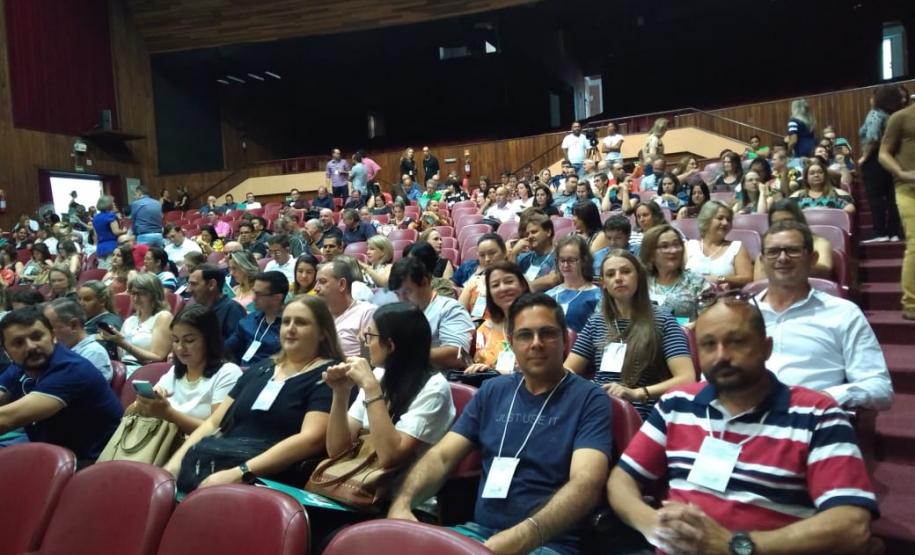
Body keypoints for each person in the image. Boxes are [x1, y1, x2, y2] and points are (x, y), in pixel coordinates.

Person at [607, 292, 880, 555]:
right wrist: (651, 525)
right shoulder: (677, 404)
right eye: (708, 344)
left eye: (737, 341)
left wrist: (735, 545)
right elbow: (621, 480)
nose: (721, 355)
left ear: (767, 347)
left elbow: (852, 524)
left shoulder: (817, 414)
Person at [388, 293, 611, 555]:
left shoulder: (590, 399)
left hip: (547, 543)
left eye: (547, 333)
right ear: (511, 341)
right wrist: (402, 503)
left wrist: (519, 538)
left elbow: (586, 483)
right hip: (477, 533)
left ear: (564, 340)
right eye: (525, 335)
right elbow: (441, 457)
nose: (536, 343)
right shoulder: (493, 391)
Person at [163, 296, 340, 490]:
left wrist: (241, 472)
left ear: (323, 333)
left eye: (301, 322)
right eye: (286, 321)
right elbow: (214, 422)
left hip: (270, 478)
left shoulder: (330, 375)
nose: (290, 328)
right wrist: (174, 465)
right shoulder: (262, 368)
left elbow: (311, 439)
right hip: (220, 465)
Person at [755, 220, 893, 410]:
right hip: (744, 420)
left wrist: (822, 398)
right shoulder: (741, 313)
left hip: (811, 421)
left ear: (812, 259)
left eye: (792, 250)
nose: (782, 258)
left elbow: (879, 387)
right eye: (773, 252)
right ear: (762, 261)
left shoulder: (843, 313)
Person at [323, 302, 455, 497]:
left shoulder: (434, 388)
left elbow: (390, 457)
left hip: (402, 496)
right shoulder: (378, 375)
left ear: (390, 345)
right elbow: (336, 451)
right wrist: (340, 393)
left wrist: (370, 388)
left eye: (370, 336)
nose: (366, 343)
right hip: (358, 484)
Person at [566, 250, 696, 418]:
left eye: (625, 271)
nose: (618, 278)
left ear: (639, 277)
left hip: (641, 411)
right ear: (604, 283)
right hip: (597, 407)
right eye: (611, 274)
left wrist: (637, 393)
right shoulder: (596, 322)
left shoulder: (663, 321)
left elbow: (687, 378)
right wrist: (584, 386)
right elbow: (568, 368)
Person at [0, 308, 122, 462]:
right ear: (6, 352)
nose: (30, 346)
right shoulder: (20, 366)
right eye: (18, 342)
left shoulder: (71, 369)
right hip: (55, 454)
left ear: (52, 336)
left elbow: (8, 418)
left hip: (97, 464)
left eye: (37, 336)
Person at [129, 306, 242, 436]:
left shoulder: (227, 373)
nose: (180, 347)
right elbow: (127, 414)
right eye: (175, 340)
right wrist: (144, 403)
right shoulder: (174, 372)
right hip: (161, 446)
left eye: (189, 340)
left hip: (199, 451)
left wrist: (168, 413)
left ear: (209, 340)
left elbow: (218, 431)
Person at [389, 256, 474, 371]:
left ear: (424, 282)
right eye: (397, 294)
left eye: (407, 292)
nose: (402, 300)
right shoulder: (402, 314)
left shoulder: (450, 309)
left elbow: (458, 355)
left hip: (439, 381)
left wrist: (404, 356)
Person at [878, 90, 915, 320]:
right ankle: (911, 303)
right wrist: (902, 172)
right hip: (908, 188)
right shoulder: (900, 117)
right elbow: (883, 153)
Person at [100, 273, 173, 375]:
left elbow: (158, 357)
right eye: (133, 293)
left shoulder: (163, 317)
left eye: (141, 294)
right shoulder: (130, 320)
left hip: (146, 371)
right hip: (122, 368)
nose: (135, 298)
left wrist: (123, 343)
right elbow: (121, 355)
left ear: (155, 295)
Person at [465, 262, 530, 374]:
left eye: (509, 282)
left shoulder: (539, 324)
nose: (503, 288)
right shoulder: (484, 329)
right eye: (495, 285)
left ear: (523, 285)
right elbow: (477, 362)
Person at [860, 85, 904, 242]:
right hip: (893, 160)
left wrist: (864, 157)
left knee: (876, 197)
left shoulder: (875, 114)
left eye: (873, 96)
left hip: (875, 160)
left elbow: (872, 138)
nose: (870, 99)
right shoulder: (895, 115)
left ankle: (880, 231)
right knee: (892, 197)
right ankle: (894, 231)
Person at [640, 224, 708, 322]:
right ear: (650, 254)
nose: (673, 250)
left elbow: (708, 320)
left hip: (685, 334)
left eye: (676, 244)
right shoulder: (642, 282)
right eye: (664, 246)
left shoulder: (697, 282)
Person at [753, 199, 833, 280]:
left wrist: (795, 261)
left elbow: (826, 270)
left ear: (799, 220)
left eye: (788, 221)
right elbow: (758, 283)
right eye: (776, 223)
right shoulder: (768, 252)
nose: (782, 226)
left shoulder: (820, 242)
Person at [313, 259, 377, 357]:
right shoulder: (316, 315)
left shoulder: (367, 312)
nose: (316, 288)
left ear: (342, 284)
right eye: (316, 282)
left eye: (322, 282)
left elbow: (374, 359)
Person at [686, 200, 753, 288]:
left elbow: (747, 279)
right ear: (707, 220)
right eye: (720, 218)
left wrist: (720, 279)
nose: (725, 223)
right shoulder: (689, 246)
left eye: (728, 220)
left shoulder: (736, 247)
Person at [225, 272, 287, 366]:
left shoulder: (289, 328)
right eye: (253, 291)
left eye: (259, 294)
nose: (253, 298)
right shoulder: (248, 321)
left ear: (277, 298)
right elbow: (226, 349)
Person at [44, 298, 113, 382]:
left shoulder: (93, 353)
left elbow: (70, 391)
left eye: (51, 328)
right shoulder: (60, 350)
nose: (48, 334)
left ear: (73, 325)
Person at [545, 235, 601, 333]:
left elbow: (600, 333)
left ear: (584, 261)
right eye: (562, 260)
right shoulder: (549, 295)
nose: (566, 265)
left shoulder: (597, 296)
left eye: (571, 260)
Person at [187, 264, 246, 342]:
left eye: (194, 284)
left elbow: (237, 347)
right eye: (189, 284)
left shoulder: (233, 310)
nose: (188, 290)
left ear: (212, 284)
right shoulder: (194, 309)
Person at [459, 234, 509, 320]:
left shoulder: (515, 281)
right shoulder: (474, 281)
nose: (487, 259)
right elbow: (458, 314)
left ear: (504, 252)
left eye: (492, 253)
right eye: (482, 255)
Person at [510, 212, 557, 291]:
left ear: (548, 232)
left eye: (534, 232)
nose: (529, 237)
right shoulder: (525, 257)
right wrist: (514, 253)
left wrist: (521, 287)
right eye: (527, 234)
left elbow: (552, 280)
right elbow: (509, 279)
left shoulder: (559, 254)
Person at [77, 280, 123, 360]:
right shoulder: (85, 319)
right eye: (79, 299)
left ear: (102, 301)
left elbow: (100, 353)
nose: (81, 303)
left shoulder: (110, 322)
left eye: (87, 299)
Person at [790, 157, 855, 213]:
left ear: (825, 176)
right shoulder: (798, 196)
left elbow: (850, 208)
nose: (816, 175)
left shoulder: (837, 193)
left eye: (820, 172)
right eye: (812, 173)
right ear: (806, 178)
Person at [92, 195, 125, 266]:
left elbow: (95, 236)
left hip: (100, 248)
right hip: (112, 246)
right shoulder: (111, 216)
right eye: (112, 202)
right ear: (108, 204)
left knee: (103, 271)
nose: (113, 204)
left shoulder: (95, 218)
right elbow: (116, 231)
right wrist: (124, 231)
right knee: (112, 270)